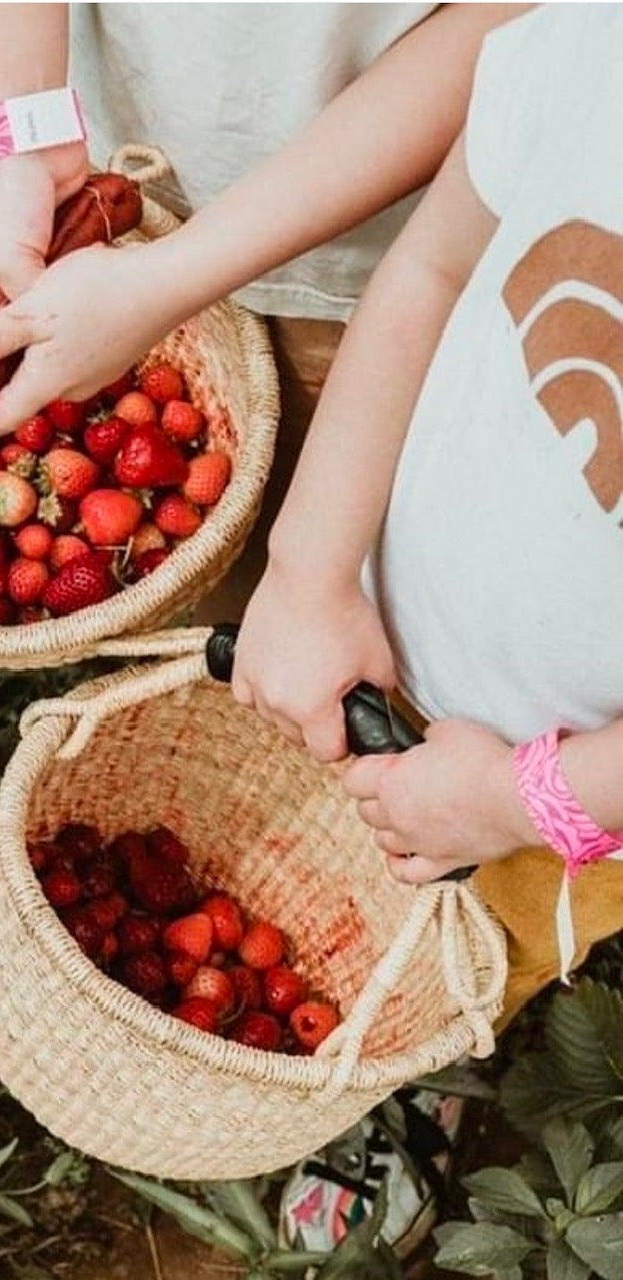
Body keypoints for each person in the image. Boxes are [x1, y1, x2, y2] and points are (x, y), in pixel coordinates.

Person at [229, 2, 623, 1254]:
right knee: (323, 858)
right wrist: (308, 569)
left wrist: (523, 800)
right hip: (385, 611)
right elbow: (433, 268)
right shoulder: (598, 46)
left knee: (480, 939)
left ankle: (411, 1058)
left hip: (566, 790)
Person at [0, 3, 525, 620]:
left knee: (359, 553)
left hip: (364, 258)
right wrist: (16, 139)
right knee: (220, 568)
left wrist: (166, 281)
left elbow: (513, 23)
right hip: (114, 153)